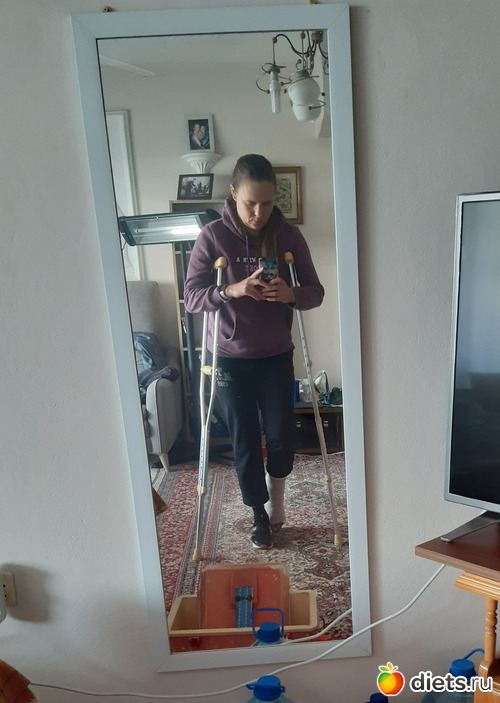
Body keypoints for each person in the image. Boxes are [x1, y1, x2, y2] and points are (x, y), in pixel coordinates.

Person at [183, 154, 324, 549]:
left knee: (281, 438)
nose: (259, 213)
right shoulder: (213, 236)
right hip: (229, 357)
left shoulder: (287, 236)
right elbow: (191, 297)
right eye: (250, 203)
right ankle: (258, 513)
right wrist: (231, 290)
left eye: (266, 203)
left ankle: (276, 498)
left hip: (275, 354)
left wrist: (291, 294)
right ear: (233, 194)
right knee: (244, 439)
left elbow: (316, 292)